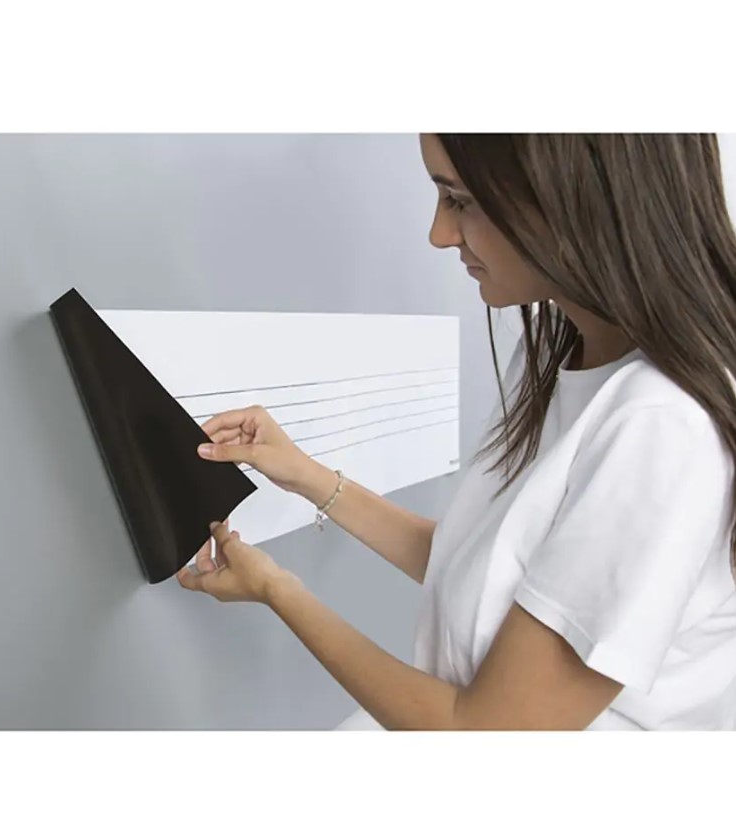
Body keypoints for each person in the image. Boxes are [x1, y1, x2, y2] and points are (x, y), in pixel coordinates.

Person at [176, 133, 736, 731]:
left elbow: (484, 730)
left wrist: (276, 588)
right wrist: (306, 476)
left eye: (460, 200)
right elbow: (484, 572)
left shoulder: (661, 429)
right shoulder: (557, 352)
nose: (439, 234)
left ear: (575, 195)